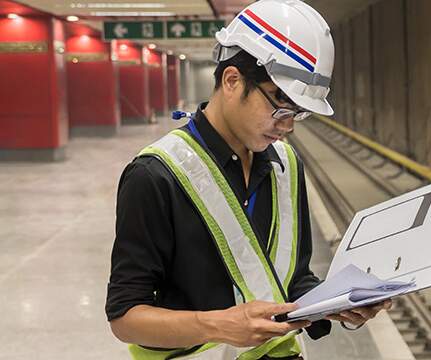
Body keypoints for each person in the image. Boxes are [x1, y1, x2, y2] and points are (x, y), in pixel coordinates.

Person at [105, 1, 390, 359]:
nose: (287, 125)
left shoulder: (286, 164)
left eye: (297, 114)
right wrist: (218, 325)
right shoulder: (156, 175)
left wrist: (334, 303)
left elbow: (291, 278)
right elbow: (126, 317)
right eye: (280, 106)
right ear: (232, 80)